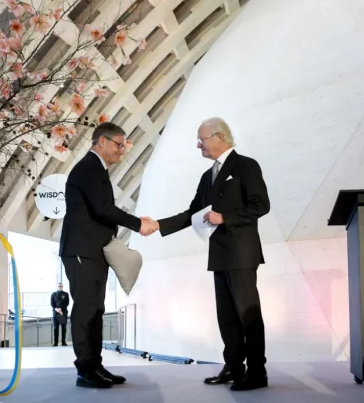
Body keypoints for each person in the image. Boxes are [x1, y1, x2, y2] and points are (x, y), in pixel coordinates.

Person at [144, 117, 270, 391]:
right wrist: (158, 225)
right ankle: (234, 367)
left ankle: (257, 372)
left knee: (247, 314)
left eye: (202, 139)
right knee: (226, 315)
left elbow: (261, 205)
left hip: (241, 252)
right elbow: (193, 213)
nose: (198, 144)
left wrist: (225, 217)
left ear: (220, 137)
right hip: (220, 254)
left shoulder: (246, 165)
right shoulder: (207, 176)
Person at [59, 122, 156, 389]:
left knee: (96, 310)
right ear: (101, 141)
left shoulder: (96, 169)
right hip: (81, 250)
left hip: (93, 250)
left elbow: (102, 208)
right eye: (119, 145)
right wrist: (137, 223)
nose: (122, 150)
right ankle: (84, 369)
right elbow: (103, 208)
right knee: (86, 310)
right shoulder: (89, 167)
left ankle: (95, 364)